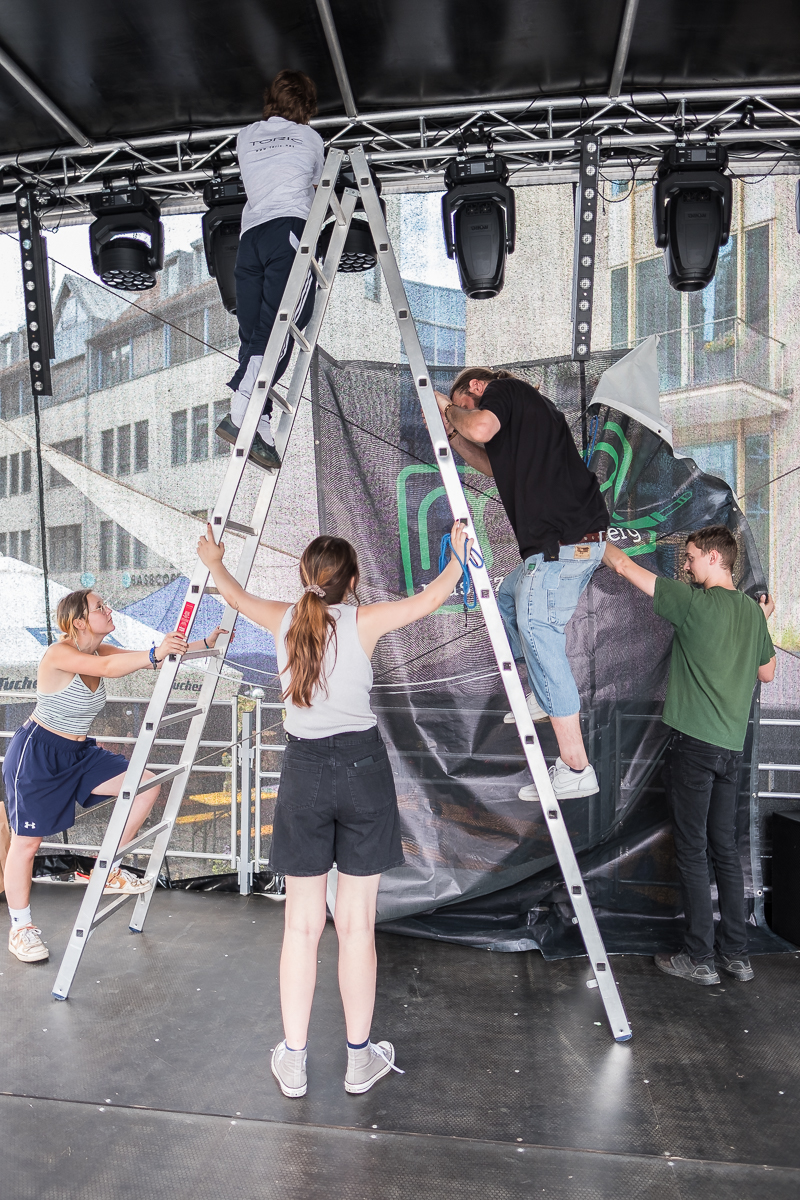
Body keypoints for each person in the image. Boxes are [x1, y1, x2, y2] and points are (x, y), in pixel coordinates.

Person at [198, 518, 471, 1097]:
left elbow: (233, 593)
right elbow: (431, 599)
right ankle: (357, 1059)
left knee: (301, 927)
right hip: (363, 770)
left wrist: (214, 558)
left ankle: (294, 1061)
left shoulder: (283, 618)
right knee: (356, 927)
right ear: (353, 583)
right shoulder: (364, 619)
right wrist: (457, 555)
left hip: (305, 774)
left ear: (305, 577)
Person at [2, 588, 224, 965]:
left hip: (79, 753)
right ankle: (20, 928)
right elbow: (111, 670)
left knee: (144, 786)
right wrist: (155, 652)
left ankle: (109, 870)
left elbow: (145, 661)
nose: (108, 609)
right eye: (99, 607)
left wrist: (204, 643)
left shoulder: (98, 650)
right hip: (37, 755)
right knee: (27, 844)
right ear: (79, 622)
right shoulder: (60, 654)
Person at [604, 526, 776, 986]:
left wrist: (586, 535)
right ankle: (736, 956)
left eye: (693, 557)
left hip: (695, 748)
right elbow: (768, 672)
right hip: (729, 751)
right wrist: (761, 620)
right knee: (725, 849)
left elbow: (622, 565)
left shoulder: (692, 602)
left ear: (716, 558)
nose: (686, 565)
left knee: (693, 851)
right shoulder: (750, 612)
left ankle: (699, 957)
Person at [436, 367, 608, 802]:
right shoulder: (524, 416)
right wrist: (453, 435)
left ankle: (576, 768)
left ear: (476, 388)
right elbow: (491, 464)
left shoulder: (502, 391)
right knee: (508, 597)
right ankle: (542, 694)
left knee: (539, 632)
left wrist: (452, 411)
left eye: (466, 399)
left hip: (562, 545)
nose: (466, 412)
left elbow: (478, 424)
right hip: (566, 545)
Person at [215, 69, 325, 473]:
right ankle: (242, 409)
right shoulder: (311, 138)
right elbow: (316, 188)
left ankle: (257, 422)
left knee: (254, 333)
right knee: (283, 325)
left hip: (251, 239)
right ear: (307, 107)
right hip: (287, 233)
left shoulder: (245, 136)